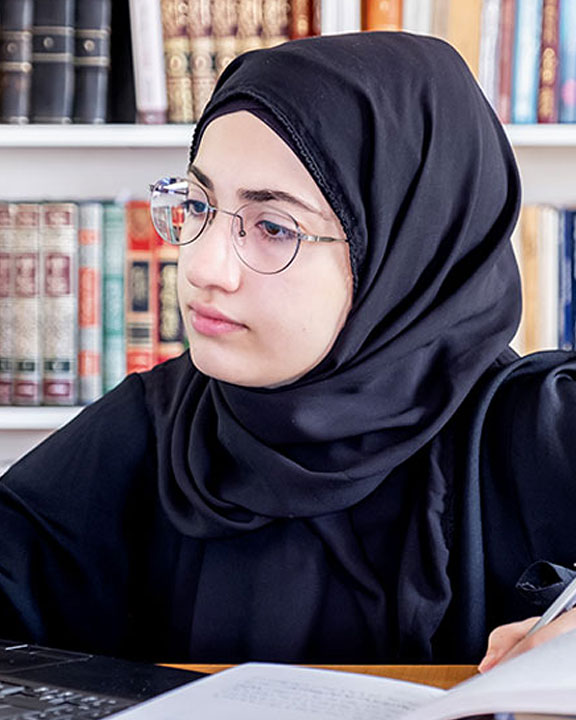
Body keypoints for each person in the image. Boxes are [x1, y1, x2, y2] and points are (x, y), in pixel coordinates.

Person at [1, 31, 576, 667]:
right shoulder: (161, 422)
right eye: (199, 204)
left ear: (406, 252)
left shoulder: (541, 433)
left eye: (274, 227)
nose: (200, 266)